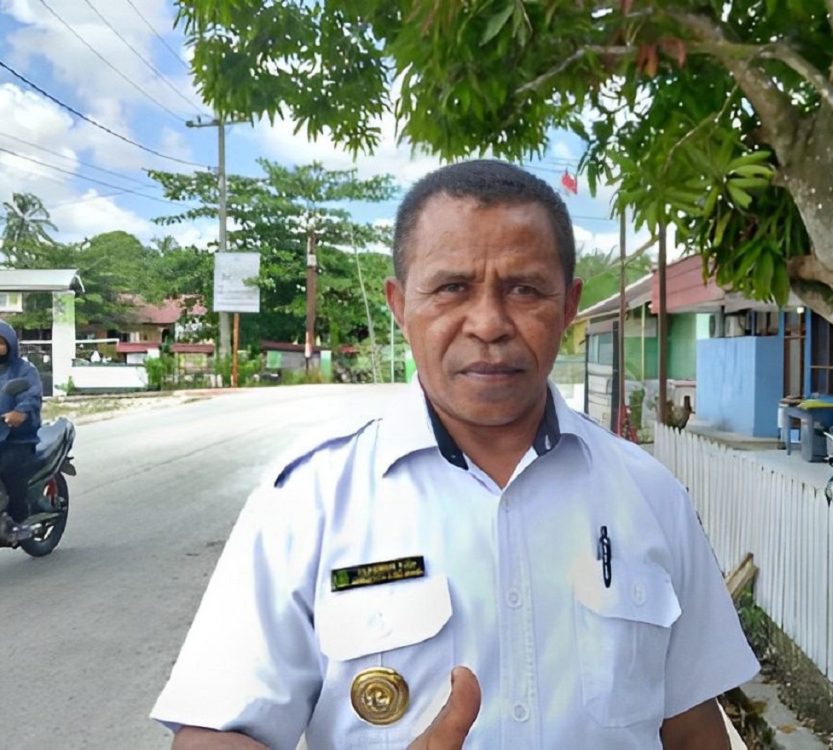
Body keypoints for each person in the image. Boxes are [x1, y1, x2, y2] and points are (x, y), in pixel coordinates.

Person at [151, 160, 758, 749]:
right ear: (400, 305)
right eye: (451, 288)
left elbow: (692, 727)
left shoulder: (651, 496)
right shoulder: (307, 501)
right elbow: (217, 731)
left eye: (524, 289)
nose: (489, 323)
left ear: (569, 307)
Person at [0, 320, 43, 535]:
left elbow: (32, 396)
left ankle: (18, 520)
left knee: (9, 469)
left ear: (10, 344)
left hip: (17, 438)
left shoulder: (24, 370)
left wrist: (20, 412)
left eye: (0, 342)